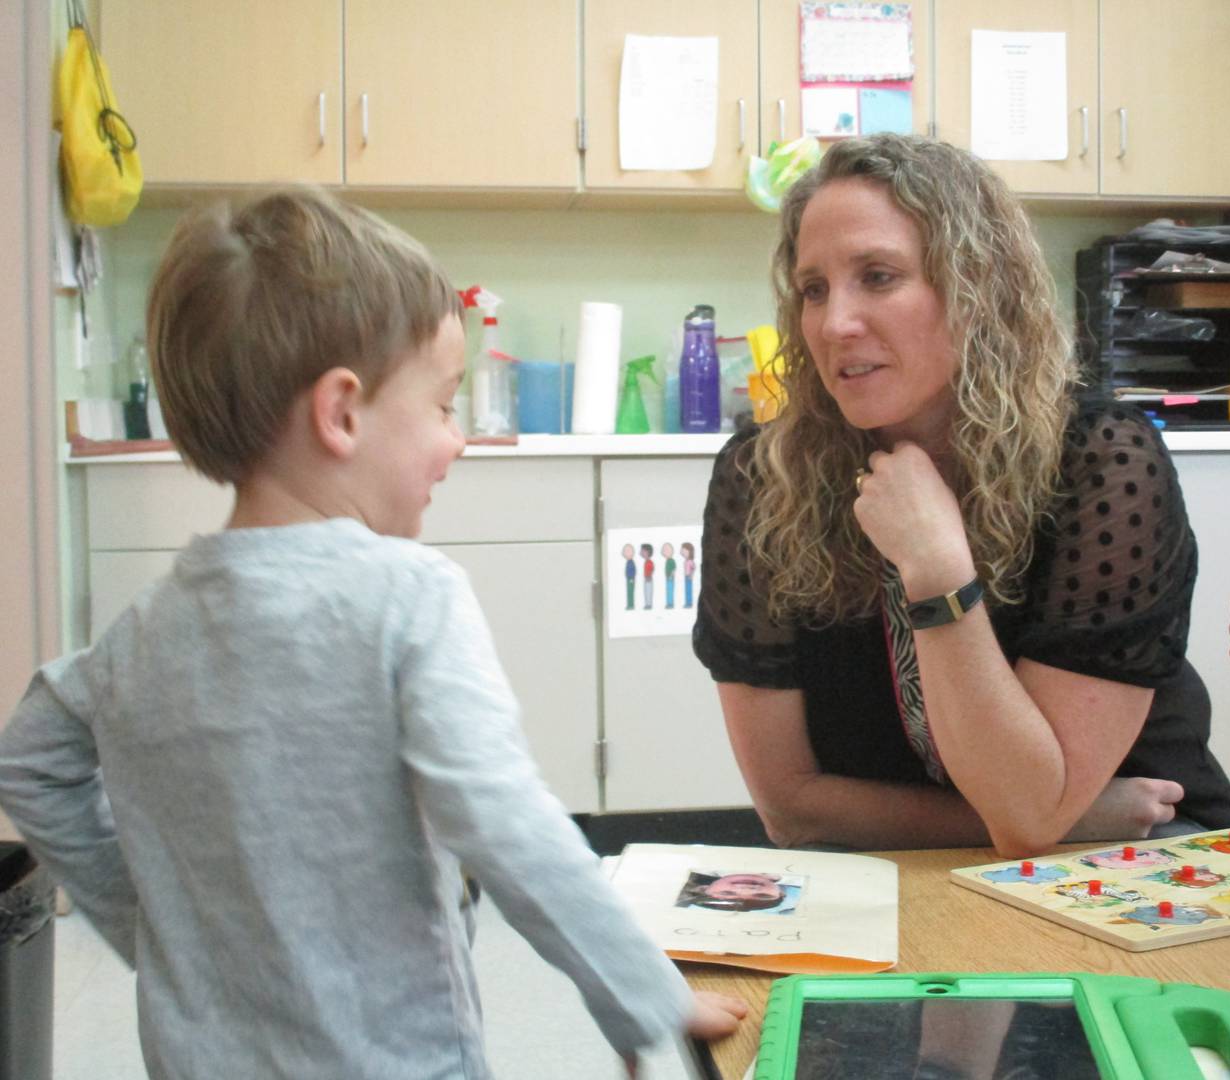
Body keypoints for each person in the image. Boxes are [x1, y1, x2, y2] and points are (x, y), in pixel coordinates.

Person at [0, 188, 742, 1079]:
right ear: (342, 412)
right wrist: (646, 993)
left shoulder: (141, 632)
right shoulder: (407, 598)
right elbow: (504, 821)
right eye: (440, 406)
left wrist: (154, 934)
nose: (457, 440)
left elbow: (29, 761)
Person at [693, 134, 1230, 858]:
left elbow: (1025, 816)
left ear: (977, 285)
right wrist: (1069, 813)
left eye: (879, 276)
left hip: (1139, 854)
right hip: (990, 848)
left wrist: (935, 568)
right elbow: (793, 811)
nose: (835, 324)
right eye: (814, 289)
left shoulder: (1098, 460)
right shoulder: (764, 478)